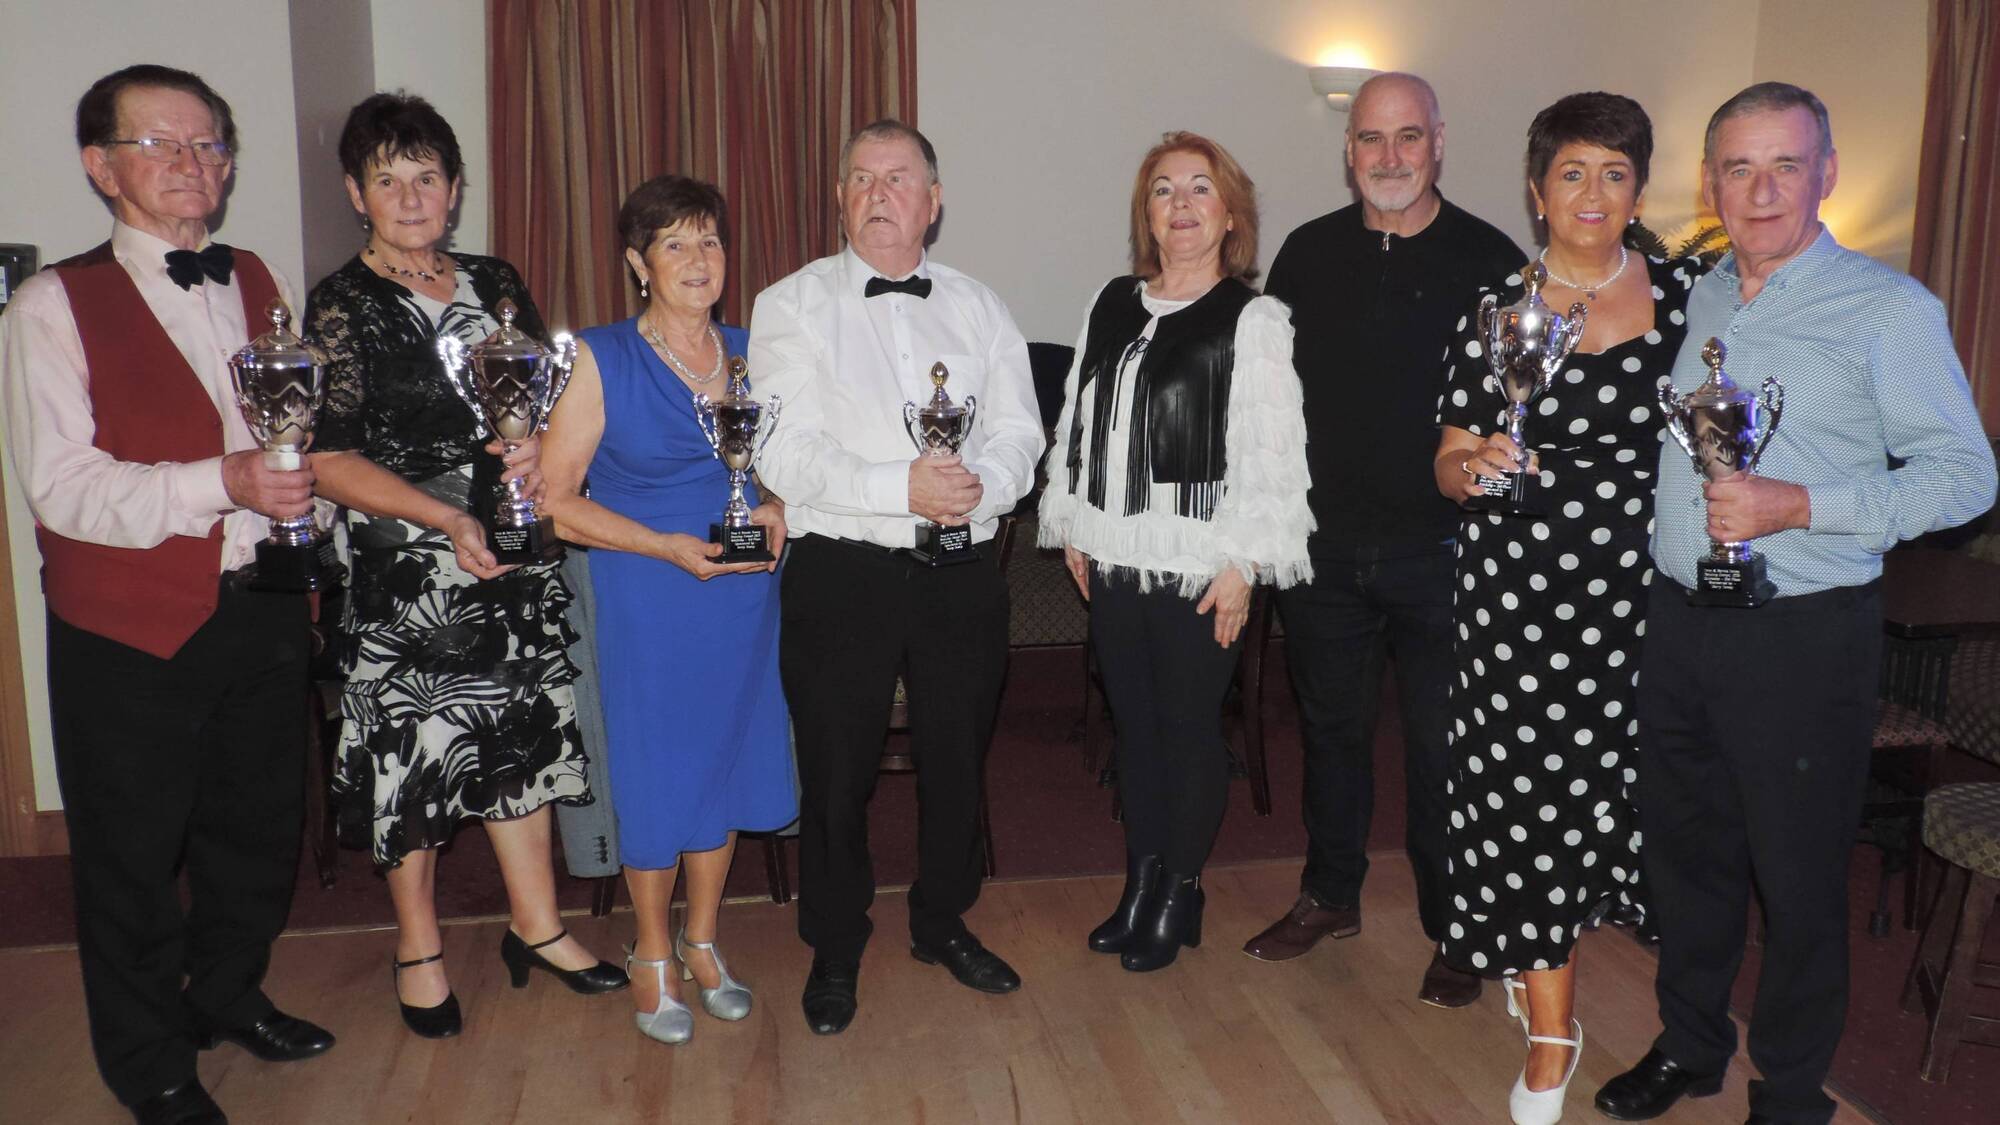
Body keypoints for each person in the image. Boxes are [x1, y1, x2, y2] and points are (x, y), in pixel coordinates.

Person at [1591, 83, 1996, 1125]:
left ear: (1826, 173)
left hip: (1803, 636)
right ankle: (1689, 1045)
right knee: (1685, 859)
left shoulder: (1889, 310)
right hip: (1680, 621)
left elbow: (1964, 476)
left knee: (1798, 876)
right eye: (1739, 167)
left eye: (1785, 165)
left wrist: (1803, 503)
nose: (1761, 189)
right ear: (1710, 182)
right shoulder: (1705, 297)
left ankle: (1791, 1091)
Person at [0, 64, 335, 1125]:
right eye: (161, 144)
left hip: (262, 603)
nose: (193, 164)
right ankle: (146, 1060)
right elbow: (61, 488)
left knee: (258, 830)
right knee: (131, 859)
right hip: (128, 622)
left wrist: (310, 513)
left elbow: (293, 437)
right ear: (101, 168)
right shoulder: (51, 304)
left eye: (209, 144)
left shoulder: (257, 277)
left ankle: (226, 993)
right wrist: (221, 481)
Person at [304, 92, 625, 1042]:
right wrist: (443, 515)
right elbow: (328, 458)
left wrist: (537, 452)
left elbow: (540, 403)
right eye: (388, 179)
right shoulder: (341, 303)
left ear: (454, 187)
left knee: (517, 737)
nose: (411, 197)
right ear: (356, 193)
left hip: (511, 553)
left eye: (427, 176)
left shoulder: (497, 280)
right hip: (410, 568)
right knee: (414, 758)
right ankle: (418, 946)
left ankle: (538, 925)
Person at [748, 119, 1046, 1035]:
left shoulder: (982, 306)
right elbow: (783, 451)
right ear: (840, 198)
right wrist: (900, 486)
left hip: (959, 567)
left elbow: (1020, 432)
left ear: (934, 201)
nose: (880, 194)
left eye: (899, 178)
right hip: (844, 567)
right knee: (837, 767)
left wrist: (978, 485)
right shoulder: (790, 304)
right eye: (862, 179)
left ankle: (942, 919)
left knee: (957, 757)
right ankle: (836, 940)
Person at [1432, 92, 1691, 1125]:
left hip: (1650, 602)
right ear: (1537, 191)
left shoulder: (1688, 302)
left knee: (1632, 808)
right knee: (1532, 806)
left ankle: (1655, 1007)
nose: (1593, 192)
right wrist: (1477, 469)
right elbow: (1447, 462)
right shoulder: (1496, 311)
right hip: (1519, 604)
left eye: (1614, 173)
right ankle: (1552, 1035)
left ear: (1638, 192)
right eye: (1572, 172)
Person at [1242, 72, 1522, 1010]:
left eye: (1408, 137)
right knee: (1331, 734)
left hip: (1446, 553)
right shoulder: (1307, 253)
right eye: (1371, 138)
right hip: (1324, 551)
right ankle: (1331, 894)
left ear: (1439, 141)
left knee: (1445, 751)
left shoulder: (1491, 259)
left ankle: (1458, 926)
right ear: (1348, 150)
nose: (1390, 156)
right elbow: (1270, 404)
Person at [1039, 132, 1312, 972]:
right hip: (1114, 550)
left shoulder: (1253, 320)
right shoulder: (1111, 302)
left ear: (1230, 216)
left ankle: (1181, 887)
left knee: (1189, 729)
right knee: (1135, 727)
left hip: (1204, 561)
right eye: (1164, 190)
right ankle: (1142, 881)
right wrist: (1073, 520)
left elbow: (1272, 452)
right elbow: (1079, 421)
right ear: (1147, 215)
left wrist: (1245, 565)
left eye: (1200, 189)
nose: (1181, 204)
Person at [540, 174, 798, 1045]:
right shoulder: (600, 356)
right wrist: (662, 545)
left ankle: (703, 938)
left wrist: (776, 505)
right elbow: (554, 502)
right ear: (637, 262)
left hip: (741, 592)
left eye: (710, 240)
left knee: (724, 758)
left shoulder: (754, 351)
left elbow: (779, 467)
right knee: (660, 771)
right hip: (649, 593)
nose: (698, 259)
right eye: (675, 244)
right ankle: (652, 950)